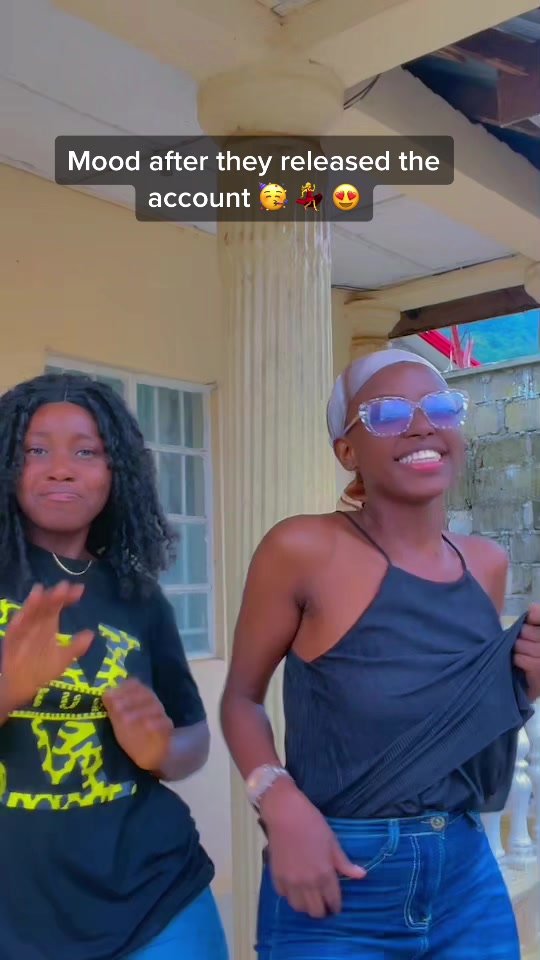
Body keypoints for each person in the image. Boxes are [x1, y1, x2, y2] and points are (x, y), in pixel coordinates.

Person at [220, 348, 540, 959]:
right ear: (348, 452)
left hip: (466, 875)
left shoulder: (486, 564)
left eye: (439, 408)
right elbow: (241, 699)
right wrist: (277, 801)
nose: (421, 425)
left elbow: (461, 733)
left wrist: (527, 681)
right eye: (389, 414)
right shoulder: (301, 548)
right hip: (339, 876)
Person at [0, 373, 229, 960]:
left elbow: (193, 735)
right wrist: (8, 690)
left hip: (157, 903)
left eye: (86, 452)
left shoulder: (138, 596)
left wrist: (161, 752)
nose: (60, 469)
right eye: (35, 450)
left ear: (115, 472)